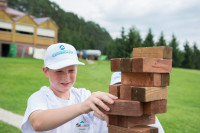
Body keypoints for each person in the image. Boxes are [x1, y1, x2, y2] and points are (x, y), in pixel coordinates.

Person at [21, 43, 118, 133]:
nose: (66, 77)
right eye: (59, 71)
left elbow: (98, 115)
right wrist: (82, 107)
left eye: (71, 70)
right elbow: (38, 122)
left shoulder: (83, 95)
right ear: (46, 71)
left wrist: (106, 113)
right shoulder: (40, 98)